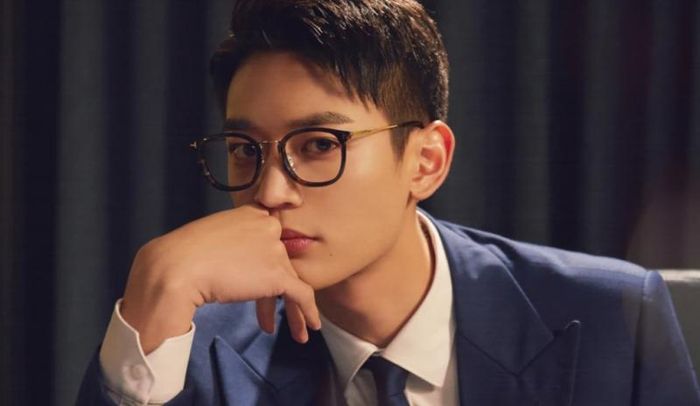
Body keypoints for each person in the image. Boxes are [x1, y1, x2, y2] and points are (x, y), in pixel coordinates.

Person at [77, 1, 700, 405]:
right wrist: (152, 300)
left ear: (426, 161)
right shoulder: (189, 349)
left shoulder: (612, 319)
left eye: (319, 145)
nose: (268, 192)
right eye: (244, 150)